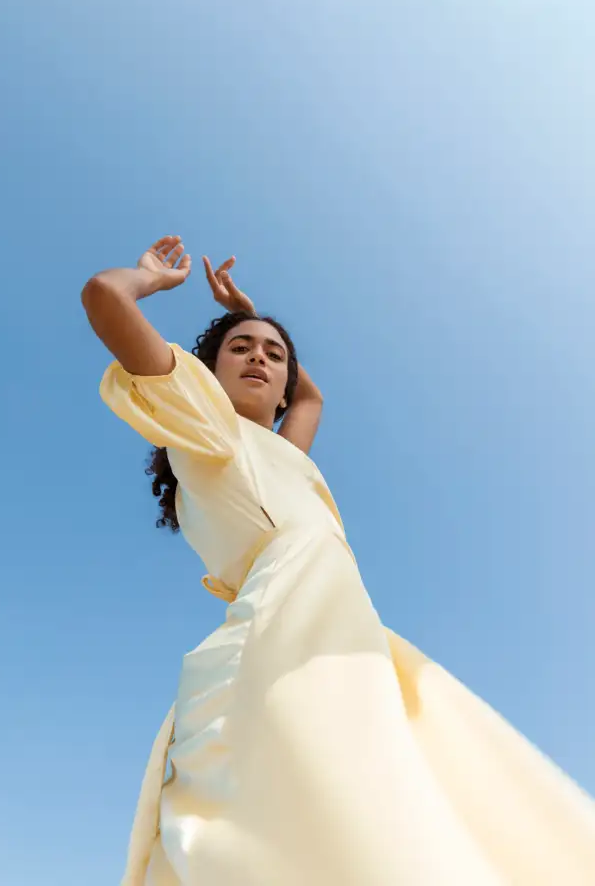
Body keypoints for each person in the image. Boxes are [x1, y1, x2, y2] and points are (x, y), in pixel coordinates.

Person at [82, 235, 595, 886]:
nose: (260, 360)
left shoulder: (286, 452)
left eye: (275, 355)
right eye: (239, 349)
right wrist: (149, 278)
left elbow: (308, 400)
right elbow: (104, 297)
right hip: (284, 622)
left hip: (339, 618)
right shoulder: (205, 420)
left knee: (417, 783)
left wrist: (249, 312)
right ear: (203, 372)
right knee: (314, 790)